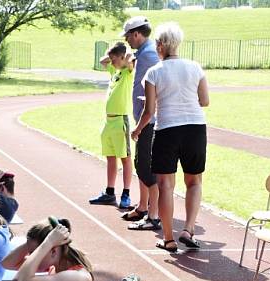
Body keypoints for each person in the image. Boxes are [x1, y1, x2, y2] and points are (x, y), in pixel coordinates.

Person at [132, 22, 209, 252]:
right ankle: (188, 229)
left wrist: (137, 130)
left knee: (165, 185)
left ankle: (168, 239)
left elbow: (149, 111)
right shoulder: (195, 67)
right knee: (194, 181)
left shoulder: (154, 72)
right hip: (195, 128)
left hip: (167, 130)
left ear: (161, 45)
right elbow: (204, 101)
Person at [120, 16, 162, 231]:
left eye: (128, 35)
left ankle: (153, 215)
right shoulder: (143, 54)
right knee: (141, 164)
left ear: (136, 34)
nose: (126, 40)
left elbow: (157, 87)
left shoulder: (150, 55)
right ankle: (143, 206)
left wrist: (144, 120)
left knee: (147, 168)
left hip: (149, 121)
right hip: (144, 119)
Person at [88, 42, 134, 209]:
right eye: (113, 59)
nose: (112, 62)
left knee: (125, 158)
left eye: (115, 59)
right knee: (110, 157)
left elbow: (130, 61)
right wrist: (113, 55)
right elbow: (102, 61)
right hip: (108, 122)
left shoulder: (128, 72)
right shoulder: (115, 71)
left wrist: (124, 56)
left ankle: (126, 193)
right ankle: (109, 192)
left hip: (120, 121)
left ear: (122, 58)